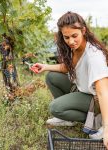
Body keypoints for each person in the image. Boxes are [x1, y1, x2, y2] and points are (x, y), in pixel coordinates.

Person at [30, 11, 108, 149]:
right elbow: (69, 67)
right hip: (82, 89)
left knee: (55, 108)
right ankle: (69, 118)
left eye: (74, 36)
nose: (71, 41)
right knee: (51, 76)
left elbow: (103, 93)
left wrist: (107, 128)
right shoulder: (76, 48)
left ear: (83, 30)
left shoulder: (94, 57)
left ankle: (97, 122)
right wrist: (45, 66)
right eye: (66, 37)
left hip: (95, 98)